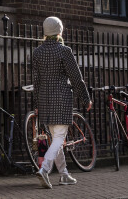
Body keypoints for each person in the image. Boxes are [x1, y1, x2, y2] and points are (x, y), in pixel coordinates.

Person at [30, 16, 92, 189]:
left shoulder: (37, 52)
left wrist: (36, 103)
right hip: (61, 97)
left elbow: (36, 81)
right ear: (59, 31)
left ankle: (64, 174)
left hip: (44, 98)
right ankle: (44, 169)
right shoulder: (64, 51)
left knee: (56, 139)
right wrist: (85, 98)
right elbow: (76, 77)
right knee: (59, 138)